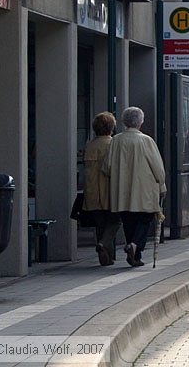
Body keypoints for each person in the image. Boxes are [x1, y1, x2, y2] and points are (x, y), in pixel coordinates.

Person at [102, 107, 166, 268]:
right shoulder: (146, 141)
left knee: (128, 221)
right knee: (144, 219)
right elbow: (158, 168)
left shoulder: (116, 140)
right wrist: (162, 184)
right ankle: (135, 246)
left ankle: (134, 256)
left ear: (124, 122)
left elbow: (106, 167)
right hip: (144, 189)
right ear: (140, 122)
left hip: (122, 190)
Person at [83, 112, 122, 266]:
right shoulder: (114, 144)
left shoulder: (89, 146)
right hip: (111, 191)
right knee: (115, 221)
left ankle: (106, 257)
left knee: (100, 224)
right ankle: (105, 244)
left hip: (93, 192)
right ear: (111, 127)